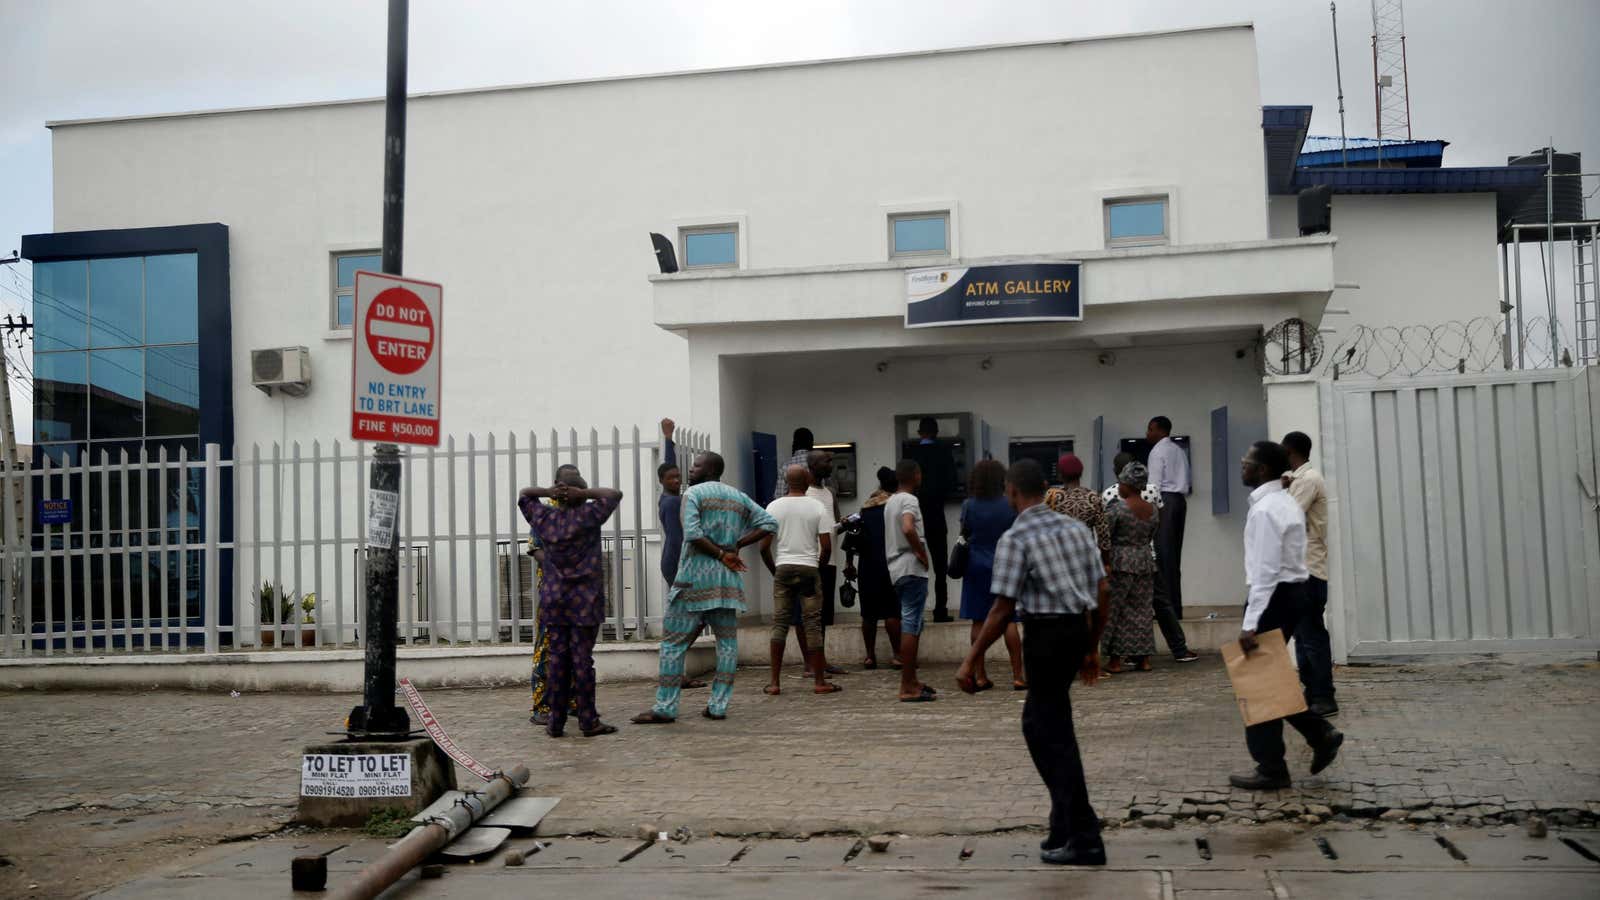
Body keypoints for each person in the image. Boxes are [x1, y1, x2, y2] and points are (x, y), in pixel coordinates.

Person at [957, 459, 1109, 866]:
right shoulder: (1076, 530)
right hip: (1076, 629)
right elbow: (1102, 588)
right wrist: (1092, 646)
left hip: (1045, 635)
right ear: (1045, 489)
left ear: (1011, 492)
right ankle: (1063, 822)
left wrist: (970, 661)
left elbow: (1001, 608)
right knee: (1045, 725)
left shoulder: (1016, 538)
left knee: (1050, 733)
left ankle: (1084, 834)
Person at [1229, 441, 1345, 790]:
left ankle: (1272, 768)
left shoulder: (1266, 510)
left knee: (1258, 681)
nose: (1241, 465)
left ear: (1262, 470)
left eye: (1247, 461)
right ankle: (1319, 733)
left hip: (1275, 595)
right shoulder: (1282, 502)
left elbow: (1264, 571)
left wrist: (1250, 623)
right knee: (1273, 676)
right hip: (1295, 592)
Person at [633, 451, 778, 724]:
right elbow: (770, 523)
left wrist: (723, 554)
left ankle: (665, 707)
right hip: (727, 584)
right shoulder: (738, 496)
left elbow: (693, 534)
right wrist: (737, 545)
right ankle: (718, 705)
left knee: (673, 644)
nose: (690, 468)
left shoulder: (694, 494)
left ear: (710, 469)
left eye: (697, 465)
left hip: (693, 581)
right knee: (727, 645)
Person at [518, 468, 623, 738]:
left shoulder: (545, 518)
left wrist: (548, 492)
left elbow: (524, 494)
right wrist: (585, 494)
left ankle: (555, 722)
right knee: (582, 662)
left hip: (554, 600)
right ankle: (588, 721)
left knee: (557, 660)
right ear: (580, 496)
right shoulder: (589, 516)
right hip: (585, 602)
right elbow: (614, 494)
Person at [759, 465, 841, 696]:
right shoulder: (816, 506)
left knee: (780, 624)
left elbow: (763, 547)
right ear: (806, 482)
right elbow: (826, 547)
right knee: (812, 624)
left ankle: (774, 683)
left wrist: (775, 571)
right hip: (808, 568)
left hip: (784, 567)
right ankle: (819, 681)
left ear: (787, 482)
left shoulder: (774, 506)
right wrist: (818, 568)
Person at [1282, 431, 1337, 718]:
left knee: (1311, 634)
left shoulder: (1307, 480)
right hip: (1301, 569)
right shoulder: (1299, 480)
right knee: (1303, 636)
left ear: (1291, 452)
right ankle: (1313, 692)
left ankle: (1323, 694)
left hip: (1309, 569)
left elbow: (1286, 516)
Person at [957, 458, 1023, 691]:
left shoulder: (969, 505)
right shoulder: (1009, 504)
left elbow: (964, 532)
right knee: (1010, 619)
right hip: (1005, 563)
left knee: (978, 619)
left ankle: (980, 675)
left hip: (976, 564)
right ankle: (1018, 676)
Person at [657, 419, 707, 691]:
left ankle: (674, 666)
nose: (677, 480)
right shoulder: (673, 502)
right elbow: (677, 539)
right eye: (671, 479)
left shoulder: (672, 495)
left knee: (694, 617)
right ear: (662, 482)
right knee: (693, 618)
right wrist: (684, 572)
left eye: (679, 477)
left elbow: (667, 466)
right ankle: (673, 666)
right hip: (676, 563)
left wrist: (668, 439)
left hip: (677, 562)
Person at [1146, 417, 1200, 663]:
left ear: (1158, 430)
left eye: (1150, 428)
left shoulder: (1157, 452)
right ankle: (1175, 607)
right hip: (1180, 502)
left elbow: (1154, 486)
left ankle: (1166, 610)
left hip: (1165, 503)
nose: (1147, 433)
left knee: (1163, 556)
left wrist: (1149, 513)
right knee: (1174, 557)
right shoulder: (1178, 450)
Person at [887, 459, 937, 702]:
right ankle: (907, 685)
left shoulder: (890, 501)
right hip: (910, 566)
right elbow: (908, 528)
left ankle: (912, 680)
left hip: (895, 568)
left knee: (912, 620)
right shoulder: (909, 500)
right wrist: (921, 552)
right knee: (912, 623)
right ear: (915, 475)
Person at [1102, 463, 1160, 673]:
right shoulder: (1153, 509)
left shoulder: (1117, 508)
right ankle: (1143, 659)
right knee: (1143, 610)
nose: (1118, 486)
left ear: (1128, 485)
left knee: (1116, 610)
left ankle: (1115, 660)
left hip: (1121, 561)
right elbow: (1152, 533)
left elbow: (1106, 537)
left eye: (1121, 483)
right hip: (1144, 560)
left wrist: (1105, 561)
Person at [843, 466, 902, 670]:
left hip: (867, 565)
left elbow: (852, 536)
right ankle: (897, 655)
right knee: (892, 612)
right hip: (891, 565)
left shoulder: (866, 508)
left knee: (869, 614)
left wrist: (849, 564)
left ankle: (870, 656)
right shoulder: (897, 507)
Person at [907, 417, 958, 622]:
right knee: (939, 565)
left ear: (920, 433)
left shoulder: (911, 453)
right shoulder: (945, 451)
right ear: (936, 432)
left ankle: (913, 611)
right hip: (936, 512)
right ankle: (940, 610)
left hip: (915, 514)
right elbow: (953, 481)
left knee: (913, 562)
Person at [1044, 453, 1108, 553]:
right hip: (1087, 554)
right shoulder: (1092, 497)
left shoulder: (1053, 496)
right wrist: (1105, 561)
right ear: (1080, 473)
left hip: (1061, 554)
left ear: (1061, 475)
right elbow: (1103, 534)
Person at [774, 427, 815, 501]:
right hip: (817, 508)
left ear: (794, 443)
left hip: (791, 508)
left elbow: (779, 495)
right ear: (811, 443)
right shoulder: (819, 462)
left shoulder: (785, 465)